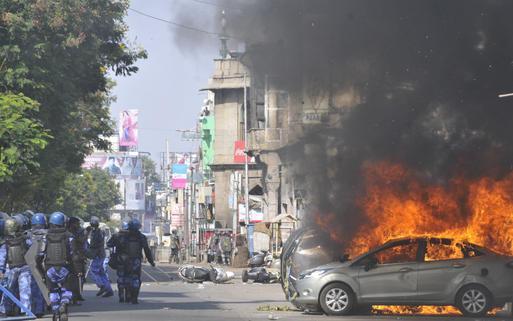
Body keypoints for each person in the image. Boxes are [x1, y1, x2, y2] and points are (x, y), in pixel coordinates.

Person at [43, 212, 72, 320]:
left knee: (53, 291)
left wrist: (42, 271)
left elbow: (39, 255)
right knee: (66, 290)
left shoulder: (45, 236)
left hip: (50, 268)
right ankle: (64, 304)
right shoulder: (69, 236)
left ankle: (55, 311)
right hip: (65, 267)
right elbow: (73, 253)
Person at [1, 218, 32, 316]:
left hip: (14, 269)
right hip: (23, 268)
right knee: (24, 290)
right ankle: (25, 310)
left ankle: (6, 310)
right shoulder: (24, 239)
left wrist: (1, 269)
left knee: (10, 290)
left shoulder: (5, 243)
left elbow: (2, 258)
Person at [123, 218, 155, 304]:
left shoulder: (124, 236)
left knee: (127, 278)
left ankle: (128, 295)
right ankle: (134, 297)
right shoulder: (141, 237)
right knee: (135, 279)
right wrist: (151, 261)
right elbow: (147, 250)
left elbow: (118, 248)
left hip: (126, 260)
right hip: (135, 261)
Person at [86, 216, 113, 297]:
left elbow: (94, 245)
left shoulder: (97, 233)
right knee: (101, 273)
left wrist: (89, 251)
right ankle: (109, 290)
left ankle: (102, 285)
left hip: (97, 255)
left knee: (93, 271)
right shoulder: (98, 232)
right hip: (100, 254)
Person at [106, 220, 131, 303]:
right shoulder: (132, 236)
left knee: (121, 277)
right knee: (128, 277)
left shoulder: (116, 235)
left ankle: (121, 295)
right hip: (129, 259)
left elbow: (109, 244)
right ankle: (128, 295)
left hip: (119, 258)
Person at [29, 213, 48, 317]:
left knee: (31, 286)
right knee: (43, 285)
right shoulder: (48, 234)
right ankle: (41, 308)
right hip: (44, 262)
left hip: (31, 262)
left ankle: (30, 309)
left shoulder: (28, 234)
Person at [67, 217, 87, 304]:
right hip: (74, 258)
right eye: (77, 224)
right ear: (72, 224)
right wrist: (87, 233)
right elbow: (81, 241)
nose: (78, 225)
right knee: (75, 278)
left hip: (79, 256)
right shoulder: (70, 233)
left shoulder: (76, 232)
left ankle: (77, 295)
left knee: (80, 277)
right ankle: (74, 297)